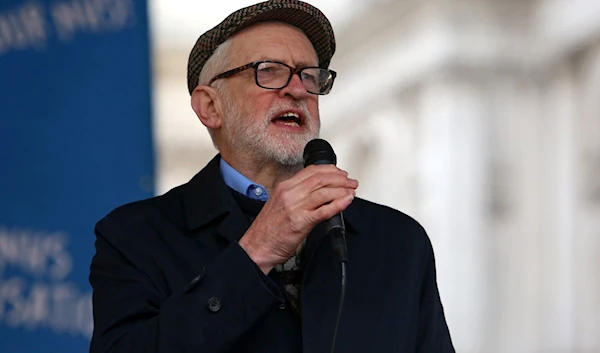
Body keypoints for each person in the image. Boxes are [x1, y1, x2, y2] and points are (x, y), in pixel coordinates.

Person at [88, 1, 455, 352]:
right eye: (268, 70)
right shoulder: (135, 237)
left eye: (310, 77)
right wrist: (257, 251)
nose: (297, 90)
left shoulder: (399, 242)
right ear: (210, 107)